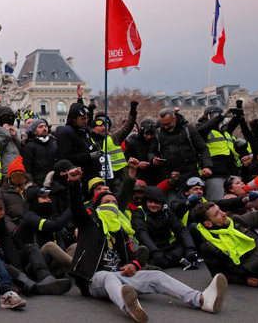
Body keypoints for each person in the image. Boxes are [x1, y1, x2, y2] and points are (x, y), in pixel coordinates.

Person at [66, 167, 227, 322]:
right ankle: (128, 306)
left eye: (115, 202)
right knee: (108, 277)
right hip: (93, 279)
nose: (112, 204)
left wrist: (133, 265)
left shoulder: (121, 230)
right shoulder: (89, 222)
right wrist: (73, 183)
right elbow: (76, 207)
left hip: (120, 276)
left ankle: (200, 299)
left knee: (156, 276)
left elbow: (131, 255)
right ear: (97, 207)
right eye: (107, 202)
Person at [131, 186, 198, 269]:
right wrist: (155, 252)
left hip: (168, 247)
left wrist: (189, 249)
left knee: (184, 246)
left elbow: (181, 229)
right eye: (150, 202)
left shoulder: (167, 212)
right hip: (150, 248)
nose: (153, 205)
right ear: (145, 202)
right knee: (150, 255)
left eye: (157, 202)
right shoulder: (139, 212)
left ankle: (177, 260)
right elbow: (141, 233)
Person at [149, 108, 213, 192]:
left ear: (174, 119)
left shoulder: (188, 130)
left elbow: (203, 149)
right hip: (169, 176)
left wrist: (207, 166)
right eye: (163, 124)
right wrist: (153, 159)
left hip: (190, 173)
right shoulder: (159, 133)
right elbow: (151, 151)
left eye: (167, 124)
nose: (165, 127)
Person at [21, 119, 57, 187]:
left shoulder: (54, 143)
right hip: (38, 183)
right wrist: (33, 185)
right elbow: (27, 168)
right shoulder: (29, 146)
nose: (44, 128)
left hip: (55, 181)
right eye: (40, 127)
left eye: (45, 126)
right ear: (34, 131)